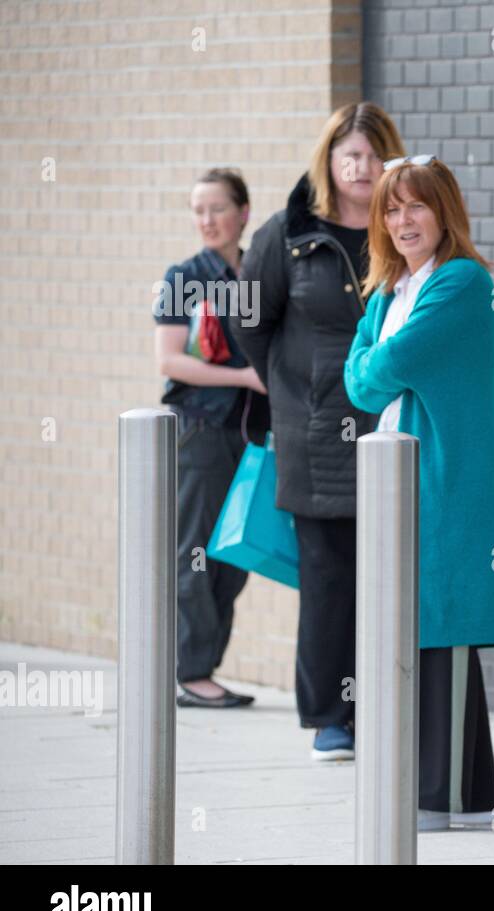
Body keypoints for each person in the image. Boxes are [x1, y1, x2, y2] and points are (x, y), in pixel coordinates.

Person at [343, 155, 494, 829]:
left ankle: (446, 797)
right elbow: (358, 382)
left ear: (443, 210)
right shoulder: (389, 293)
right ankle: (459, 797)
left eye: (415, 205)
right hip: (396, 481)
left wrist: (374, 366)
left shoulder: (462, 282)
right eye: (391, 209)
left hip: (445, 480)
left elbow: (385, 364)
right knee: (414, 629)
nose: (402, 219)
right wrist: (374, 366)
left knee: (443, 626)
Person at [232, 103, 405, 760]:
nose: (361, 167)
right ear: (329, 161)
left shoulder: (406, 225)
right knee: (329, 576)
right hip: (317, 429)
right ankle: (332, 716)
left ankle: (390, 705)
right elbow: (250, 319)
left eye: (371, 153)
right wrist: (291, 387)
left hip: (394, 422)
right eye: (348, 155)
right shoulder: (287, 234)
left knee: (393, 572)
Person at [153, 167, 270, 708]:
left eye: (217, 208)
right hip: (199, 430)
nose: (207, 220)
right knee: (196, 550)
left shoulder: (260, 273)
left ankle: (204, 665)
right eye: (198, 210)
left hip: (250, 436)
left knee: (235, 551)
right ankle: (192, 671)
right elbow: (169, 359)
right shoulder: (185, 278)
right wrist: (244, 377)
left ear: (243, 213)